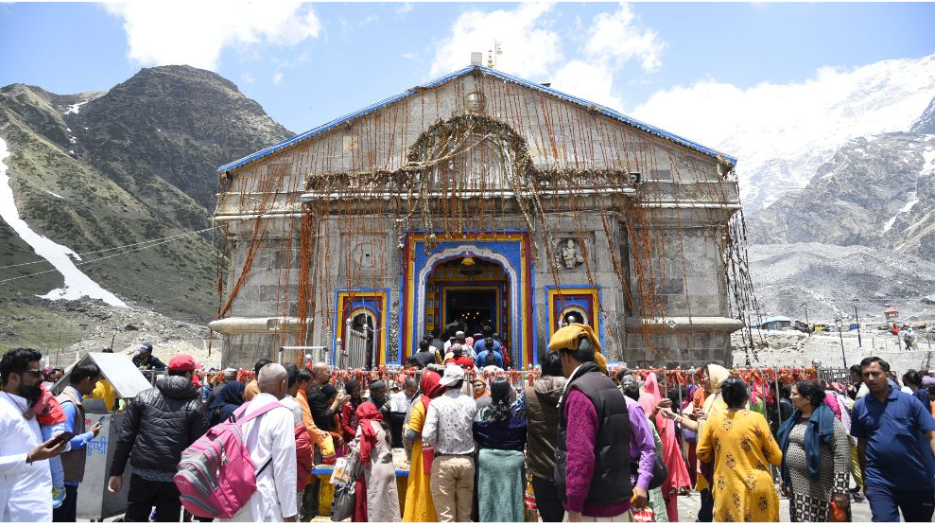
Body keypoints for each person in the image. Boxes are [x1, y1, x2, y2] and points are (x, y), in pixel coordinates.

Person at [108, 354, 208, 522]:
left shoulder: (143, 397)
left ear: (169, 371)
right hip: (173, 478)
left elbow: (126, 437)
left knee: (134, 518)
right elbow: (199, 448)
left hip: (142, 474)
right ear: (190, 374)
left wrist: (116, 472)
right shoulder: (195, 406)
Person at [549, 323, 633, 522]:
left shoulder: (580, 393)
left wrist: (574, 506)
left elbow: (580, 456)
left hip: (592, 508)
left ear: (566, 357)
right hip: (617, 497)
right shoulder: (610, 385)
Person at [850, 356, 935, 522]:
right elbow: (862, 445)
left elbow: (931, 435)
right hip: (879, 480)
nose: (870, 378)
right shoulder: (860, 406)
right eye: (866, 375)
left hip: (915, 478)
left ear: (887, 375)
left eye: (875, 373)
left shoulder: (909, 402)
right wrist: (865, 479)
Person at [696, 376, 782, 522]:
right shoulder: (757, 419)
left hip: (727, 487)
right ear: (747, 398)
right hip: (758, 488)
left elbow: (702, 453)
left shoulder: (713, 419)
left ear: (724, 399)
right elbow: (776, 457)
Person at [221, 363, 298, 522]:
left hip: (233, 498)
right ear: (283, 384)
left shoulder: (241, 410)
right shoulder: (282, 414)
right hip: (262, 501)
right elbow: (284, 467)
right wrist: (289, 513)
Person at [1, 348, 69, 522]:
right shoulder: (3, 410)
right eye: (35, 373)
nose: (41, 378)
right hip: (14, 514)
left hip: (37, 512)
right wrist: (30, 457)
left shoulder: (27, 408)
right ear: (14, 378)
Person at [776, 380, 850, 522]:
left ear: (808, 399)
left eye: (794, 394)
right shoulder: (794, 419)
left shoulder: (829, 421)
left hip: (822, 490)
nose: (790, 397)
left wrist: (840, 490)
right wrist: (783, 478)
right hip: (797, 488)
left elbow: (842, 455)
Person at [423, 365, 478, 522]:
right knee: (465, 515)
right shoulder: (471, 403)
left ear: (446, 383)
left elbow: (427, 436)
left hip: (443, 462)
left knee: (446, 517)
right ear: (462, 382)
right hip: (467, 461)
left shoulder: (436, 403)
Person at [677, 363, 729, 522]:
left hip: (720, 458)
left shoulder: (725, 399)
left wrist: (709, 419)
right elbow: (700, 426)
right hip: (708, 456)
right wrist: (676, 417)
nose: (702, 380)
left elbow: (729, 425)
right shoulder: (709, 398)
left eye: (705, 376)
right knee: (707, 492)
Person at [53, 362, 104, 522]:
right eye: (95, 382)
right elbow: (62, 442)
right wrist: (89, 435)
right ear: (87, 380)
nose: (95, 387)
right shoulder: (69, 405)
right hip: (63, 477)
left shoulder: (71, 400)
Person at [472, 377, 527, 522]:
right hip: (513, 463)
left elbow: (476, 433)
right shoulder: (517, 414)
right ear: (509, 394)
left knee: (488, 501)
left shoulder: (482, 413)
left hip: (487, 462)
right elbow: (524, 435)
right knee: (513, 502)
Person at [639, 372, 691, 522]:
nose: (666, 387)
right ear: (656, 384)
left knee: (669, 492)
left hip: (668, 448)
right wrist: (656, 409)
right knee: (660, 489)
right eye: (663, 384)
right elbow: (644, 423)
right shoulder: (648, 399)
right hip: (658, 449)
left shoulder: (660, 398)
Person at [522, 351, 567, 522]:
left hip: (541, 469)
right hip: (570, 468)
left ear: (541, 369)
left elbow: (515, 418)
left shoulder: (529, 394)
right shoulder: (575, 391)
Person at [624, 375, 669, 522]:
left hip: (638, 477)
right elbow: (656, 447)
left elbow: (650, 448)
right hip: (645, 475)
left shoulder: (627, 414)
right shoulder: (643, 418)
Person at [403, 369, 446, 522]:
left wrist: (406, 429)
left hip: (423, 453)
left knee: (422, 488)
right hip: (441, 452)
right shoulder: (443, 402)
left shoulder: (421, 404)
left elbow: (411, 435)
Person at [294, 369, 332, 520]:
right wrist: (322, 437)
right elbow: (308, 426)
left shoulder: (302, 396)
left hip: (306, 447)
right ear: (303, 382)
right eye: (310, 382)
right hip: (302, 450)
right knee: (300, 491)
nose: (312, 385)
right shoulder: (298, 399)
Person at [354, 402, 401, 521]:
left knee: (373, 504)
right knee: (389, 503)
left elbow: (360, 450)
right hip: (388, 469)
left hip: (374, 470)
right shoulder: (382, 424)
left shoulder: (364, 425)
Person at [388, 379, 418, 448]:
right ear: (406, 387)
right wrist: (408, 417)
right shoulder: (396, 397)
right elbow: (393, 416)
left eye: (414, 391)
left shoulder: (415, 397)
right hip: (399, 432)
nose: (413, 393)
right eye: (411, 391)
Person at [341, 380, 364, 444]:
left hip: (360, 434)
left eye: (358, 390)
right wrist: (356, 434)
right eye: (354, 391)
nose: (357, 393)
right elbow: (345, 425)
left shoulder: (359, 402)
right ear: (349, 392)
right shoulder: (348, 405)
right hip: (352, 438)